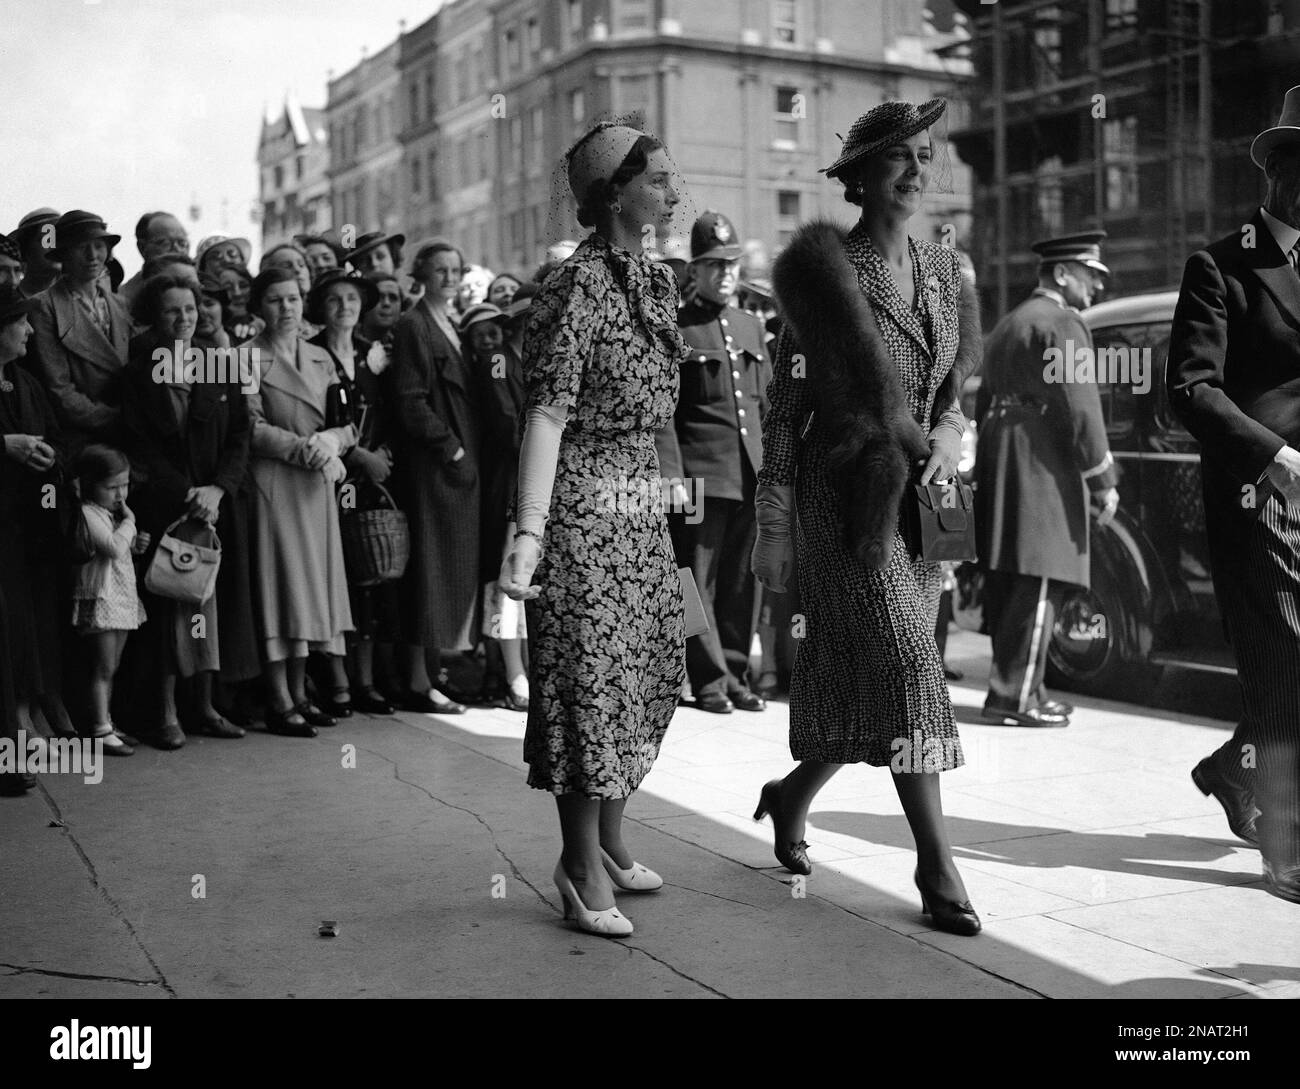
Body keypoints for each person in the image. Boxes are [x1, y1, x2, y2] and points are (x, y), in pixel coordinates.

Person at [750, 99, 984, 936]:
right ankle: (937, 864)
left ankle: (788, 795)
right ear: (858, 176)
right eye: (899, 159)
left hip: (921, 504)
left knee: (871, 675)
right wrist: (774, 522)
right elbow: (783, 406)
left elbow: (954, 395)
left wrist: (950, 438)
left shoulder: (946, 271)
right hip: (843, 502)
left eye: (926, 156)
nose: (918, 172)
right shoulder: (826, 272)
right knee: (911, 666)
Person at [499, 122, 688, 939]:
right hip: (580, 498)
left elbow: (661, 410)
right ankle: (577, 865)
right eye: (659, 180)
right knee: (587, 679)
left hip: (639, 497)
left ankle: (608, 838)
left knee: (647, 664)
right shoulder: (576, 286)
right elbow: (547, 410)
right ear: (615, 192)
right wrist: (529, 532)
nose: (674, 194)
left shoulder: (658, 280)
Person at [1166, 85, 1300, 904]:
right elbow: (1190, 389)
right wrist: (1275, 455)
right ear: (1278, 169)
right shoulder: (1220, 264)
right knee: (1287, 661)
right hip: (1259, 497)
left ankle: (1230, 768)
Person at [974, 232, 1118, 728]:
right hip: (1040, 462)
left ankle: (1022, 690)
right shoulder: (1064, 323)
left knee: (1013, 578)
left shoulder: (1009, 323)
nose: (1096, 287)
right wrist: (1103, 478)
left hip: (1002, 454)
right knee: (1039, 577)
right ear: (1061, 273)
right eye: (1090, 275)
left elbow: (979, 400)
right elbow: (1082, 406)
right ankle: (1015, 699)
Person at [123, 272, 253, 747]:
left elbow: (240, 433)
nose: (183, 318)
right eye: (172, 310)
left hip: (216, 509)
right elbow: (138, 445)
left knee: (210, 606)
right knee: (169, 604)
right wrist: (187, 494)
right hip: (168, 508)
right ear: (154, 318)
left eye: (191, 309)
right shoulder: (138, 372)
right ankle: (166, 712)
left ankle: (206, 706)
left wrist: (218, 489)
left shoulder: (219, 365)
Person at [657, 210, 771, 714]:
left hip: (749, 473)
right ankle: (705, 680)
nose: (726, 274)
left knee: (742, 579)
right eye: (714, 265)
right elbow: (665, 413)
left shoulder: (750, 323)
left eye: (732, 264)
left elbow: (764, 405)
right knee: (693, 579)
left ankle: (734, 672)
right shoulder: (677, 326)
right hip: (700, 478)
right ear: (695, 271)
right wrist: (672, 476)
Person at [242, 268, 356, 737]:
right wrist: (303, 447)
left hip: (316, 485)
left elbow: (349, 422)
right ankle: (278, 698)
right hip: (274, 482)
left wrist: (331, 439)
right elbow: (248, 427)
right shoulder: (245, 357)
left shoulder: (321, 357)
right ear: (259, 307)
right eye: (274, 300)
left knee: (310, 588)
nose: (285, 308)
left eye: (292, 299)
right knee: (280, 586)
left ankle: (301, 692)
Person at [388, 240, 481, 714]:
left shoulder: (457, 324)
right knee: (428, 573)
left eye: (455, 269)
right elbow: (409, 399)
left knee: (446, 575)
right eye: (439, 269)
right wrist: (453, 448)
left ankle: (433, 675)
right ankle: (419, 682)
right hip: (434, 471)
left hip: (458, 474)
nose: (449, 277)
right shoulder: (413, 324)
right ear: (420, 273)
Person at [305, 267, 399, 715]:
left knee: (372, 578)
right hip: (328, 476)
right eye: (334, 299)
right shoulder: (311, 352)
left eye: (352, 298)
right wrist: (357, 454)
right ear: (321, 308)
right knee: (335, 574)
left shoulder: (373, 353)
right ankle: (335, 679)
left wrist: (382, 455)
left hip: (373, 478)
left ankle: (366, 681)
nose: (345, 307)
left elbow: (393, 408)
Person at [0, 285, 79, 747]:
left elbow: (59, 439)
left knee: (31, 626)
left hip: (30, 530)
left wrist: (50, 456)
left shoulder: (26, 384)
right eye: (20, 322)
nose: (30, 330)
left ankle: (29, 717)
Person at [461, 302, 528, 711]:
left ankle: (518, 670)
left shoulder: (544, 360)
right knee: (506, 579)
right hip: (508, 486)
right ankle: (512, 672)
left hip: (533, 486)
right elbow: (508, 425)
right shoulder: (499, 360)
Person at [30, 211, 132, 456]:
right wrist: (117, 421)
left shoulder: (120, 304)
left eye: (99, 246)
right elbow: (59, 390)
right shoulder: (44, 306)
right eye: (81, 247)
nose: (92, 255)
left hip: (130, 429)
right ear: (63, 253)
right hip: (80, 437)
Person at [71, 444, 150, 755]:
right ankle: (100, 729)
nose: (121, 495)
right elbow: (112, 548)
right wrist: (130, 524)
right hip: (102, 598)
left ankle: (108, 721)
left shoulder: (107, 513)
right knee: (103, 666)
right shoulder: (89, 513)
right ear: (91, 485)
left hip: (119, 597)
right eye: (112, 487)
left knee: (113, 665)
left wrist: (135, 545)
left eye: (124, 485)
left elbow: (122, 551)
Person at [119, 212, 190, 308]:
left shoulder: (202, 289)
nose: (177, 249)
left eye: (182, 242)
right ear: (142, 247)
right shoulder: (124, 298)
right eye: (165, 243)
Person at [12, 208, 61, 298]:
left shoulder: (77, 298)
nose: (55, 247)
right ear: (25, 248)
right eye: (47, 240)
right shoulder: (7, 304)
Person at [218, 264, 261, 344]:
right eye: (228, 288)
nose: (237, 293)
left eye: (243, 286)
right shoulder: (211, 326)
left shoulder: (265, 321)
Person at [360, 271, 403, 350]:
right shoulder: (348, 344)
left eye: (393, 298)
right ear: (364, 303)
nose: (386, 303)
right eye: (379, 297)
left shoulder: (404, 346)